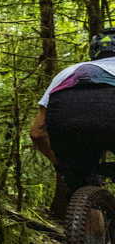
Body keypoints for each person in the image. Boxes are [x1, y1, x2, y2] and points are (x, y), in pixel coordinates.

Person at [30, 27, 115, 217]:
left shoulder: (68, 72)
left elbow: (36, 132)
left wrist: (63, 165)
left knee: (85, 189)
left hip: (66, 118)